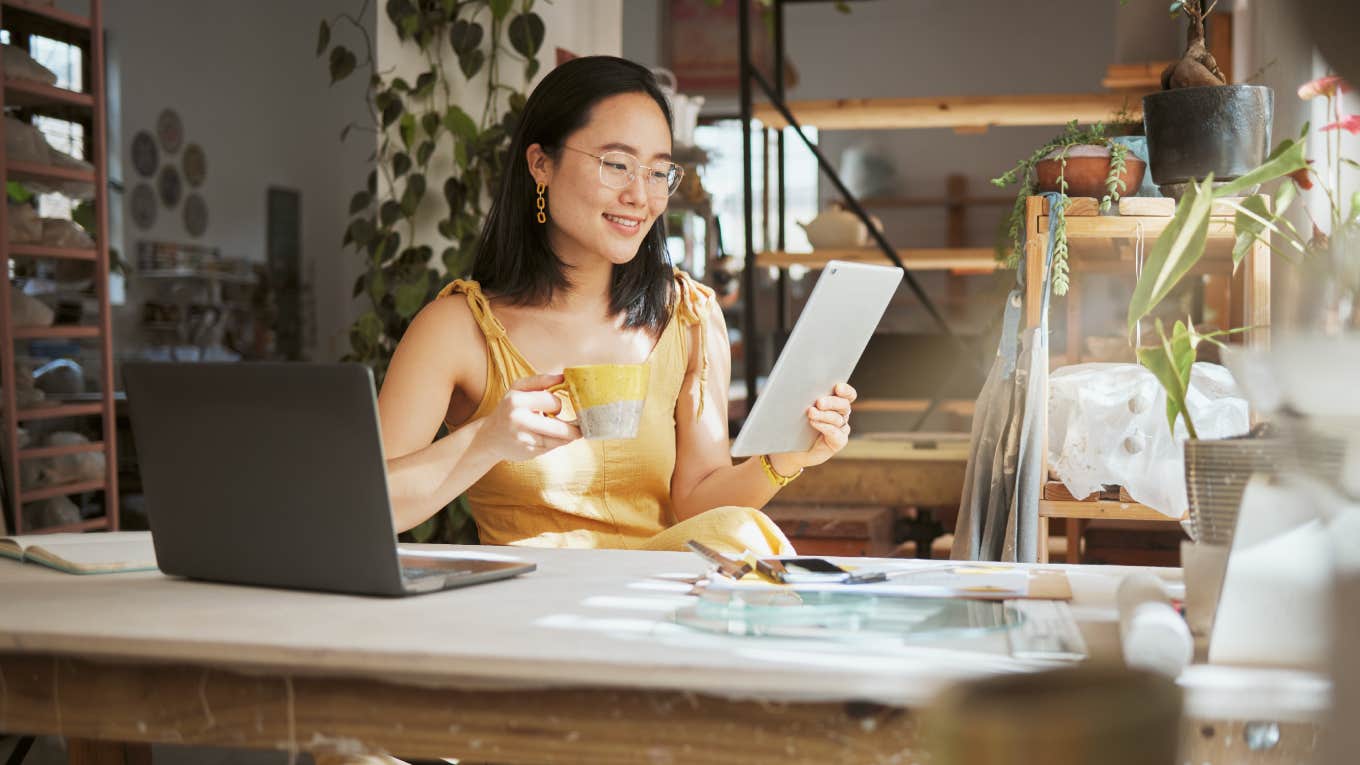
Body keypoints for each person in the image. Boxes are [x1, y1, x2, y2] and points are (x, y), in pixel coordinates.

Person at [376, 56, 856, 554]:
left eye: (657, 172)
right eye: (617, 164)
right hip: (528, 612)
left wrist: (785, 457)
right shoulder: (458, 328)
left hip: (657, 608)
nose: (640, 195)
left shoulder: (689, 316)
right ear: (541, 163)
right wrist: (487, 440)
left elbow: (697, 505)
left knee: (742, 536)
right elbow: (374, 506)